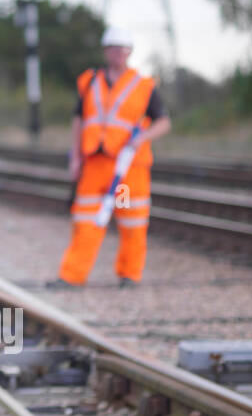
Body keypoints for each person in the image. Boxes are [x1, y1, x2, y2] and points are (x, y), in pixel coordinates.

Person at [53, 26, 172, 288]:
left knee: (131, 221)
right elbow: (79, 119)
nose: (118, 53)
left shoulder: (143, 85)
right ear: (105, 51)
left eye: (123, 48)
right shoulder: (90, 81)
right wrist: (75, 155)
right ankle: (72, 276)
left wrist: (141, 139)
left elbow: (163, 122)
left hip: (128, 167)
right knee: (85, 221)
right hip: (94, 163)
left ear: (129, 52)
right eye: (113, 48)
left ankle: (129, 274)